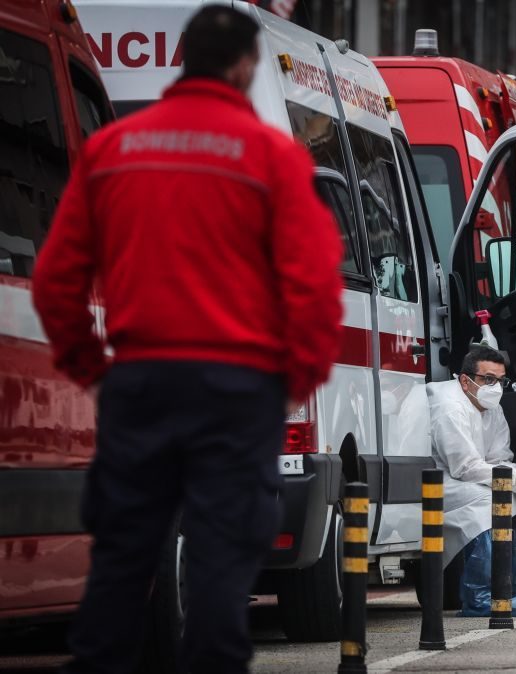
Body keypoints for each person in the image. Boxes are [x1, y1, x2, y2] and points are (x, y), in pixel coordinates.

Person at [31, 7, 344, 672]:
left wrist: (95, 370)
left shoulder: (115, 149)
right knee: (222, 562)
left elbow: (56, 281)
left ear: (185, 59)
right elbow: (316, 288)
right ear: (243, 65)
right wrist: (291, 381)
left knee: (121, 559)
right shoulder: (271, 157)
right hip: (237, 390)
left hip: (140, 382)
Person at [427, 345, 516, 616]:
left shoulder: (490, 407)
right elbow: (464, 467)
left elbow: (498, 458)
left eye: (501, 380)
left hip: (471, 477)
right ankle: (478, 599)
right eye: (488, 379)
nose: (495, 387)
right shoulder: (449, 409)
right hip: (444, 480)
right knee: (486, 504)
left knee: (514, 499)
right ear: (465, 380)